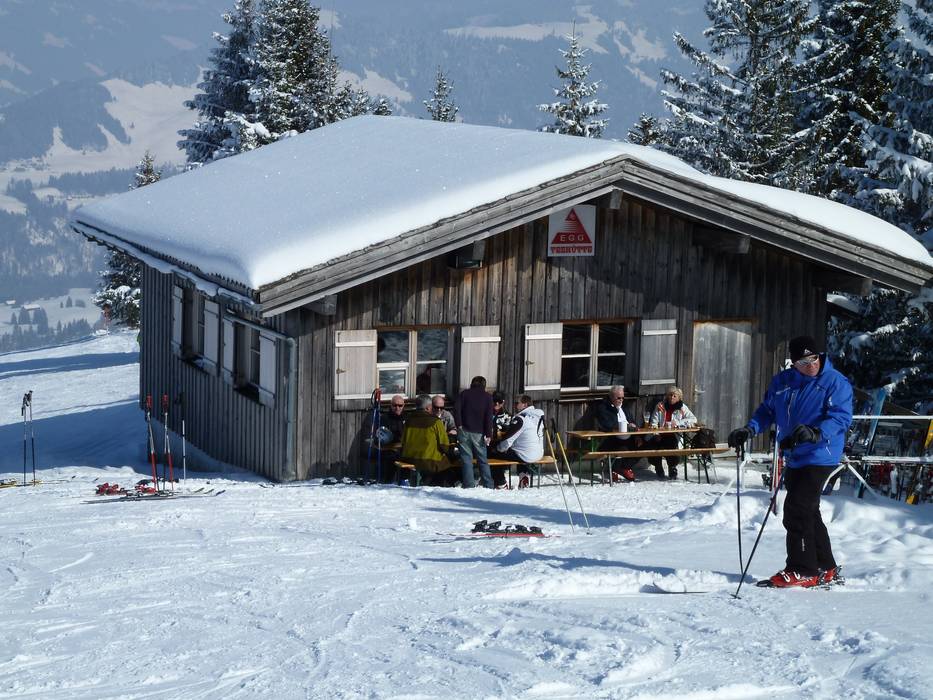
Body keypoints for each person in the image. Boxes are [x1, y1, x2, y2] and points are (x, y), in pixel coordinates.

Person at [728, 335, 853, 589]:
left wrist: (816, 433)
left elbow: (841, 417)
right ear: (793, 363)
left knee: (797, 509)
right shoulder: (783, 382)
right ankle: (825, 566)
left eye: (814, 358)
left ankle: (802, 569)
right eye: (804, 362)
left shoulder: (834, 381)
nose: (811, 365)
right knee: (808, 510)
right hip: (795, 454)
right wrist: (749, 429)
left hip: (821, 453)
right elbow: (767, 411)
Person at [491, 395, 545, 489]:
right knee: (520, 450)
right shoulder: (538, 416)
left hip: (526, 454)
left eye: (517, 403)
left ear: (525, 405)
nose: (515, 405)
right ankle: (524, 476)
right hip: (538, 452)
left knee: (493, 453)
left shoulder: (520, 419)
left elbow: (507, 442)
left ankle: (501, 483)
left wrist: (497, 448)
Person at [400, 394, 452, 486]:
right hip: (428, 460)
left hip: (409, 458)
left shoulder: (408, 420)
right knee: (447, 465)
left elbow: (402, 441)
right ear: (428, 407)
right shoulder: (436, 421)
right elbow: (444, 444)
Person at [647, 386, 698, 480]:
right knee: (652, 445)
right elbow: (653, 423)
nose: (672, 397)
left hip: (674, 436)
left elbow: (693, 419)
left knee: (671, 445)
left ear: (679, 397)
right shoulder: (661, 406)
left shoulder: (682, 407)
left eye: (675, 396)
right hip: (660, 435)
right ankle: (658, 467)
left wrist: (678, 423)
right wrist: (656, 434)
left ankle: (672, 468)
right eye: (670, 395)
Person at [454, 376, 494, 488]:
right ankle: (488, 484)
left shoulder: (464, 394)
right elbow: (488, 417)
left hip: (464, 430)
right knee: (482, 460)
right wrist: (489, 434)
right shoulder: (487, 397)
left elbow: (456, 409)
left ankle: (469, 484)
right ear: (484, 385)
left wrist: (459, 424)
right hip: (479, 432)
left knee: (466, 459)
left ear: (472, 383)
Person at [593, 385, 638, 482]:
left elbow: (632, 421)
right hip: (611, 438)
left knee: (644, 444)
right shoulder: (604, 408)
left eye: (623, 398)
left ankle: (625, 467)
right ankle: (617, 469)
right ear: (611, 397)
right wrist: (624, 426)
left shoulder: (624, 407)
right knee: (622, 447)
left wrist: (633, 426)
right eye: (619, 398)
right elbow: (607, 424)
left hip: (628, 437)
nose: (621, 400)